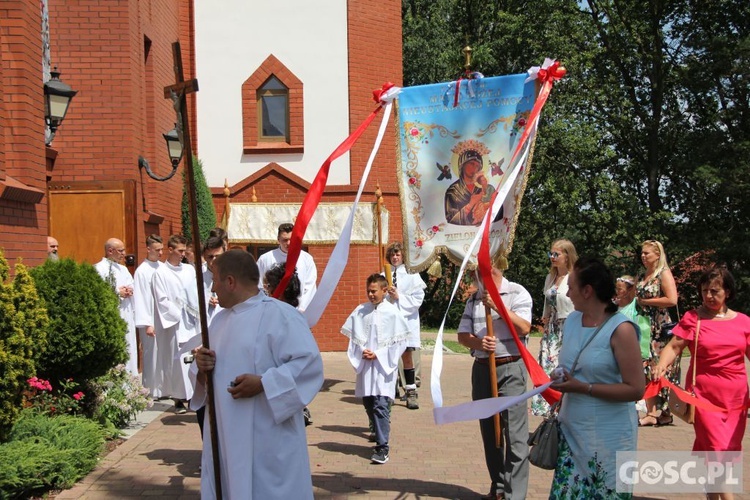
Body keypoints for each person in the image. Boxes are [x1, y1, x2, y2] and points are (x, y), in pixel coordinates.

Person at [192, 249, 324, 499]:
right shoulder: (218, 321)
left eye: (216, 280)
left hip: (267, 439)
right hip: (226, 438)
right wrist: (201, 367)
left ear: (230, 282)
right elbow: (207, 379)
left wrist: (264, 383)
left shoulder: (281, 315)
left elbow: (309, 366)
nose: (213, 289)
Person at [549, 257, 644, 499]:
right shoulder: (571, 321)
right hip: (572, 433)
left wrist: (584, 387)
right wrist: (559, 376)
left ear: (588, 291)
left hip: (609, 439)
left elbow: (635, 389)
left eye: (571, 287)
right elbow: (571, 365)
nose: (567, 293)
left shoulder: (621, 329)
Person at [654, 266, 750, 500]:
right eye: (704, 290)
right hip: (703, 395)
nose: (708, 296)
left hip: (736, 399)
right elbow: (675, 346)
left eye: (714, 291)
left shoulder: (744, 322)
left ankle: (712, 495)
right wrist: (661, 365)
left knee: (728, 449)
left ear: (727, 292)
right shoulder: (693, 318)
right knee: (717, 449)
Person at [456, 255, 532, 500]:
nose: (472, 277)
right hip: (482, 368)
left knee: (515, 435)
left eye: (475, 271)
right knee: (490, 432)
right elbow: (462, 335)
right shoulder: (474, 299)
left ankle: (514, 494)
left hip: (510, 368)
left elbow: (524, 328)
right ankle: (498, 487)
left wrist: (498, 306)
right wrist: (479, 342)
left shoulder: (517, 293)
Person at [341, 273, 409, 464]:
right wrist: (362, 351)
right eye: (368, 291)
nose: (370, 295)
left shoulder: (393, 313)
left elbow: (400, 342)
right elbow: (354, 338)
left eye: (374, 291)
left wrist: (378, 354)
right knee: (369, 403)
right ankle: (378, 429)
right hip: (366, 365)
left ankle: (382, 447)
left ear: (384, 290)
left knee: (380, 404)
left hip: (382, 367)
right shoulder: (361, 310)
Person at [152, 234, 199, 413]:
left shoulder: (189, 270)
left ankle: (194, 396)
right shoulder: (160, 273)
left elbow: (196, 292)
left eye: (184, 251)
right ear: (169, 250)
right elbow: (161, 299)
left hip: (191, 320)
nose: (183, 254)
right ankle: (178, 398)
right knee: (177, 361)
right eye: (180, 251)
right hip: (174, 323)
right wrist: (178, 312)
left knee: (192, 359)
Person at [531, 239, 577, 416]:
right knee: (548, 366)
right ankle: (550, 408)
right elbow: (547, 304)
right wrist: (544, 322)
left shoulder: (574, 277)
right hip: (552, 328)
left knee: (564, 365)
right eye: (550, 254)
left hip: (569, 326)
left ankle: (565, 407)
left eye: (556, 254)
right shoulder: (550, 277)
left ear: (567, 256)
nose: (552, 257)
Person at [263, 263, 312, 426]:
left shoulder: (289, 319)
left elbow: (306, 363)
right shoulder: (270, 314)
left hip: (281, 405)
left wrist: (263, 382)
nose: (265, 292)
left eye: (268, 287)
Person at [636, 239, 679, 427]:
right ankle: (652, 412)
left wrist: (647, 302)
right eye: (642, 253)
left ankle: (665, 411)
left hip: (659, 327)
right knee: (646, 366)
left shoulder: (663, 273)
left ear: (657, 255)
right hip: (644, 324)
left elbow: (672, 299)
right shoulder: (643, 274)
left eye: (647, 253)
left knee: (660, 368)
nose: (643, 256)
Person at [385, 241, 426, 410]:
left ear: (403, 256)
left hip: (406, 321)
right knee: (390, 357)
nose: (395, 257)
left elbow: (418, 299)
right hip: (390, 323)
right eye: (393, 255)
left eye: (398, 254)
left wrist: (399, 296)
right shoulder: (383, 274)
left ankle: (410, 391)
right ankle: (389, 390)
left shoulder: (412, 275)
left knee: (407, 356)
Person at [94, 237, 138, 376]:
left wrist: (130, 290)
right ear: (110, 250)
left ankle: (130, 384)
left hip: (126, 314)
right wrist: (117, 292)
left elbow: (131, 284)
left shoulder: (123, 269)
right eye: (120, 250)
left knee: (129, 348)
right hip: (113, 314)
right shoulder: (98, 269)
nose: (124, 253)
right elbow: (98, 292)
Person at [257, 223, 317, 311]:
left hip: (298, 310)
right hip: (271, 309)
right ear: (278, 240)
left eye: (291, 239)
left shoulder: (306, 259)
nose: (288, 243)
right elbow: (259, 285)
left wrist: (301, 308)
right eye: (285, 240)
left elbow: (310, 286)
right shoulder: (265, 259)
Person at [133, 234, 164, 396]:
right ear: (148, 249)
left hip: (164, 318)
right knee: (151, 355)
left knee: (163, 353)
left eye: (162, 250)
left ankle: (163, 387)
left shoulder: (163, 267)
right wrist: (147, 323)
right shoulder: (142, 271)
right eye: (157, 250)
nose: (160, 253)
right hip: (150, 319)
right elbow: (141, 298)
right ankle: (150, 389)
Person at [444, 141, 496, 226]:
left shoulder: (485, 188)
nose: (475, 168)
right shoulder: (453, 191)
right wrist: (471, 204)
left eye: (477, 166)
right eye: (471, 164)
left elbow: (497, 213)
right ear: (462, 165)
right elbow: (450, 219)